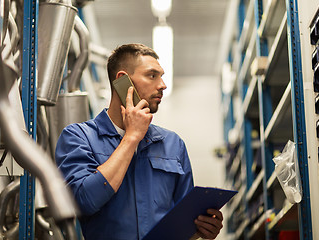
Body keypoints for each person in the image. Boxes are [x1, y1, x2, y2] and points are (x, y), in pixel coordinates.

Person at [55, 43, 223, 240]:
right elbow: (84, 201)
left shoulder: (173, 144)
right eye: (152, 75)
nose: (162, 85)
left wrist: (201, 229)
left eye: (161, 76)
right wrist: (131, 138)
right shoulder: (78, 137)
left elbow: (183, 223)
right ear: (122, 81)